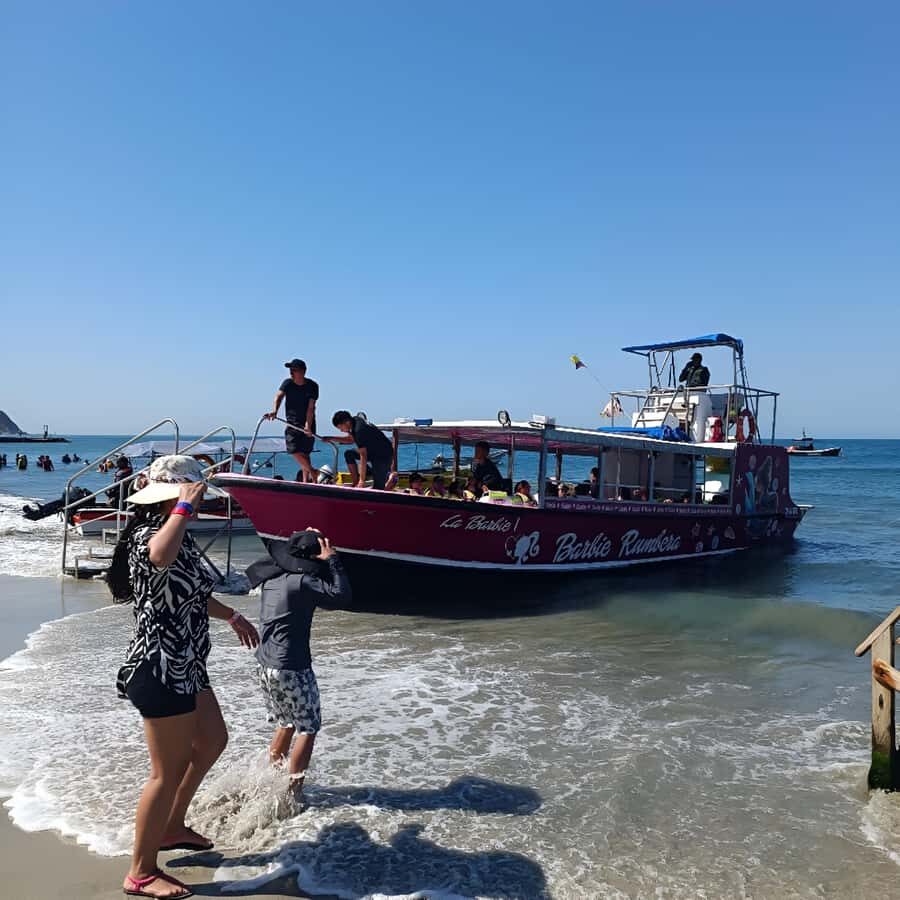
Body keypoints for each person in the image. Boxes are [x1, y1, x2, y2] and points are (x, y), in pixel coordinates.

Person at [106, 455, 259, 900]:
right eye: (193, 491)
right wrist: (184, 507)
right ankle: (139, 872)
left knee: (212, 740)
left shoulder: (179, 537)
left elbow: (189, 591)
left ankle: (172, 826)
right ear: (175, 495)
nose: (199, 499)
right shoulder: (145, 536)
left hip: (187, 664)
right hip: (158, 668)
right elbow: (159, 556)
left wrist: (231, 615)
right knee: (165, 773)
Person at [246, 529, 352, 799]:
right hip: (292, 667)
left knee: (286, 723)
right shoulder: (303, 583)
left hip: (265, 665)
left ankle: (270, 780)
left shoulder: (271, 579)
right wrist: (333, 560)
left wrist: (307, 540)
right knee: (308, 727)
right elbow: (341, 596)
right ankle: (293, 795)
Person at [264, 358, 319, 483]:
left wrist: (308, 425)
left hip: (308, 422)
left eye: (294, 370)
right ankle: (313, 472)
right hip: (292, 423)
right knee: (293, 450)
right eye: (291, 370)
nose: (291, 372)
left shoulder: (312, 386)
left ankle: (307, 481)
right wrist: (274, 411)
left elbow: (311, 407)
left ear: (303, 371)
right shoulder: (287, 383)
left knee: (305, 452)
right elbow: (279, 396)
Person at [331, 411, 394, 490]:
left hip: (383, 455)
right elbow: (351, 440)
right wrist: (330, 438)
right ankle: (355, 482)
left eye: (340, 427)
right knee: (349, 454)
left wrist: (362, 481)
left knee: (378, 488)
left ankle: (392, 478)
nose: (341, 430)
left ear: (346, 422)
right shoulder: (355, 420)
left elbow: (363, 456)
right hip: (372, 452)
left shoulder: (359, 430)